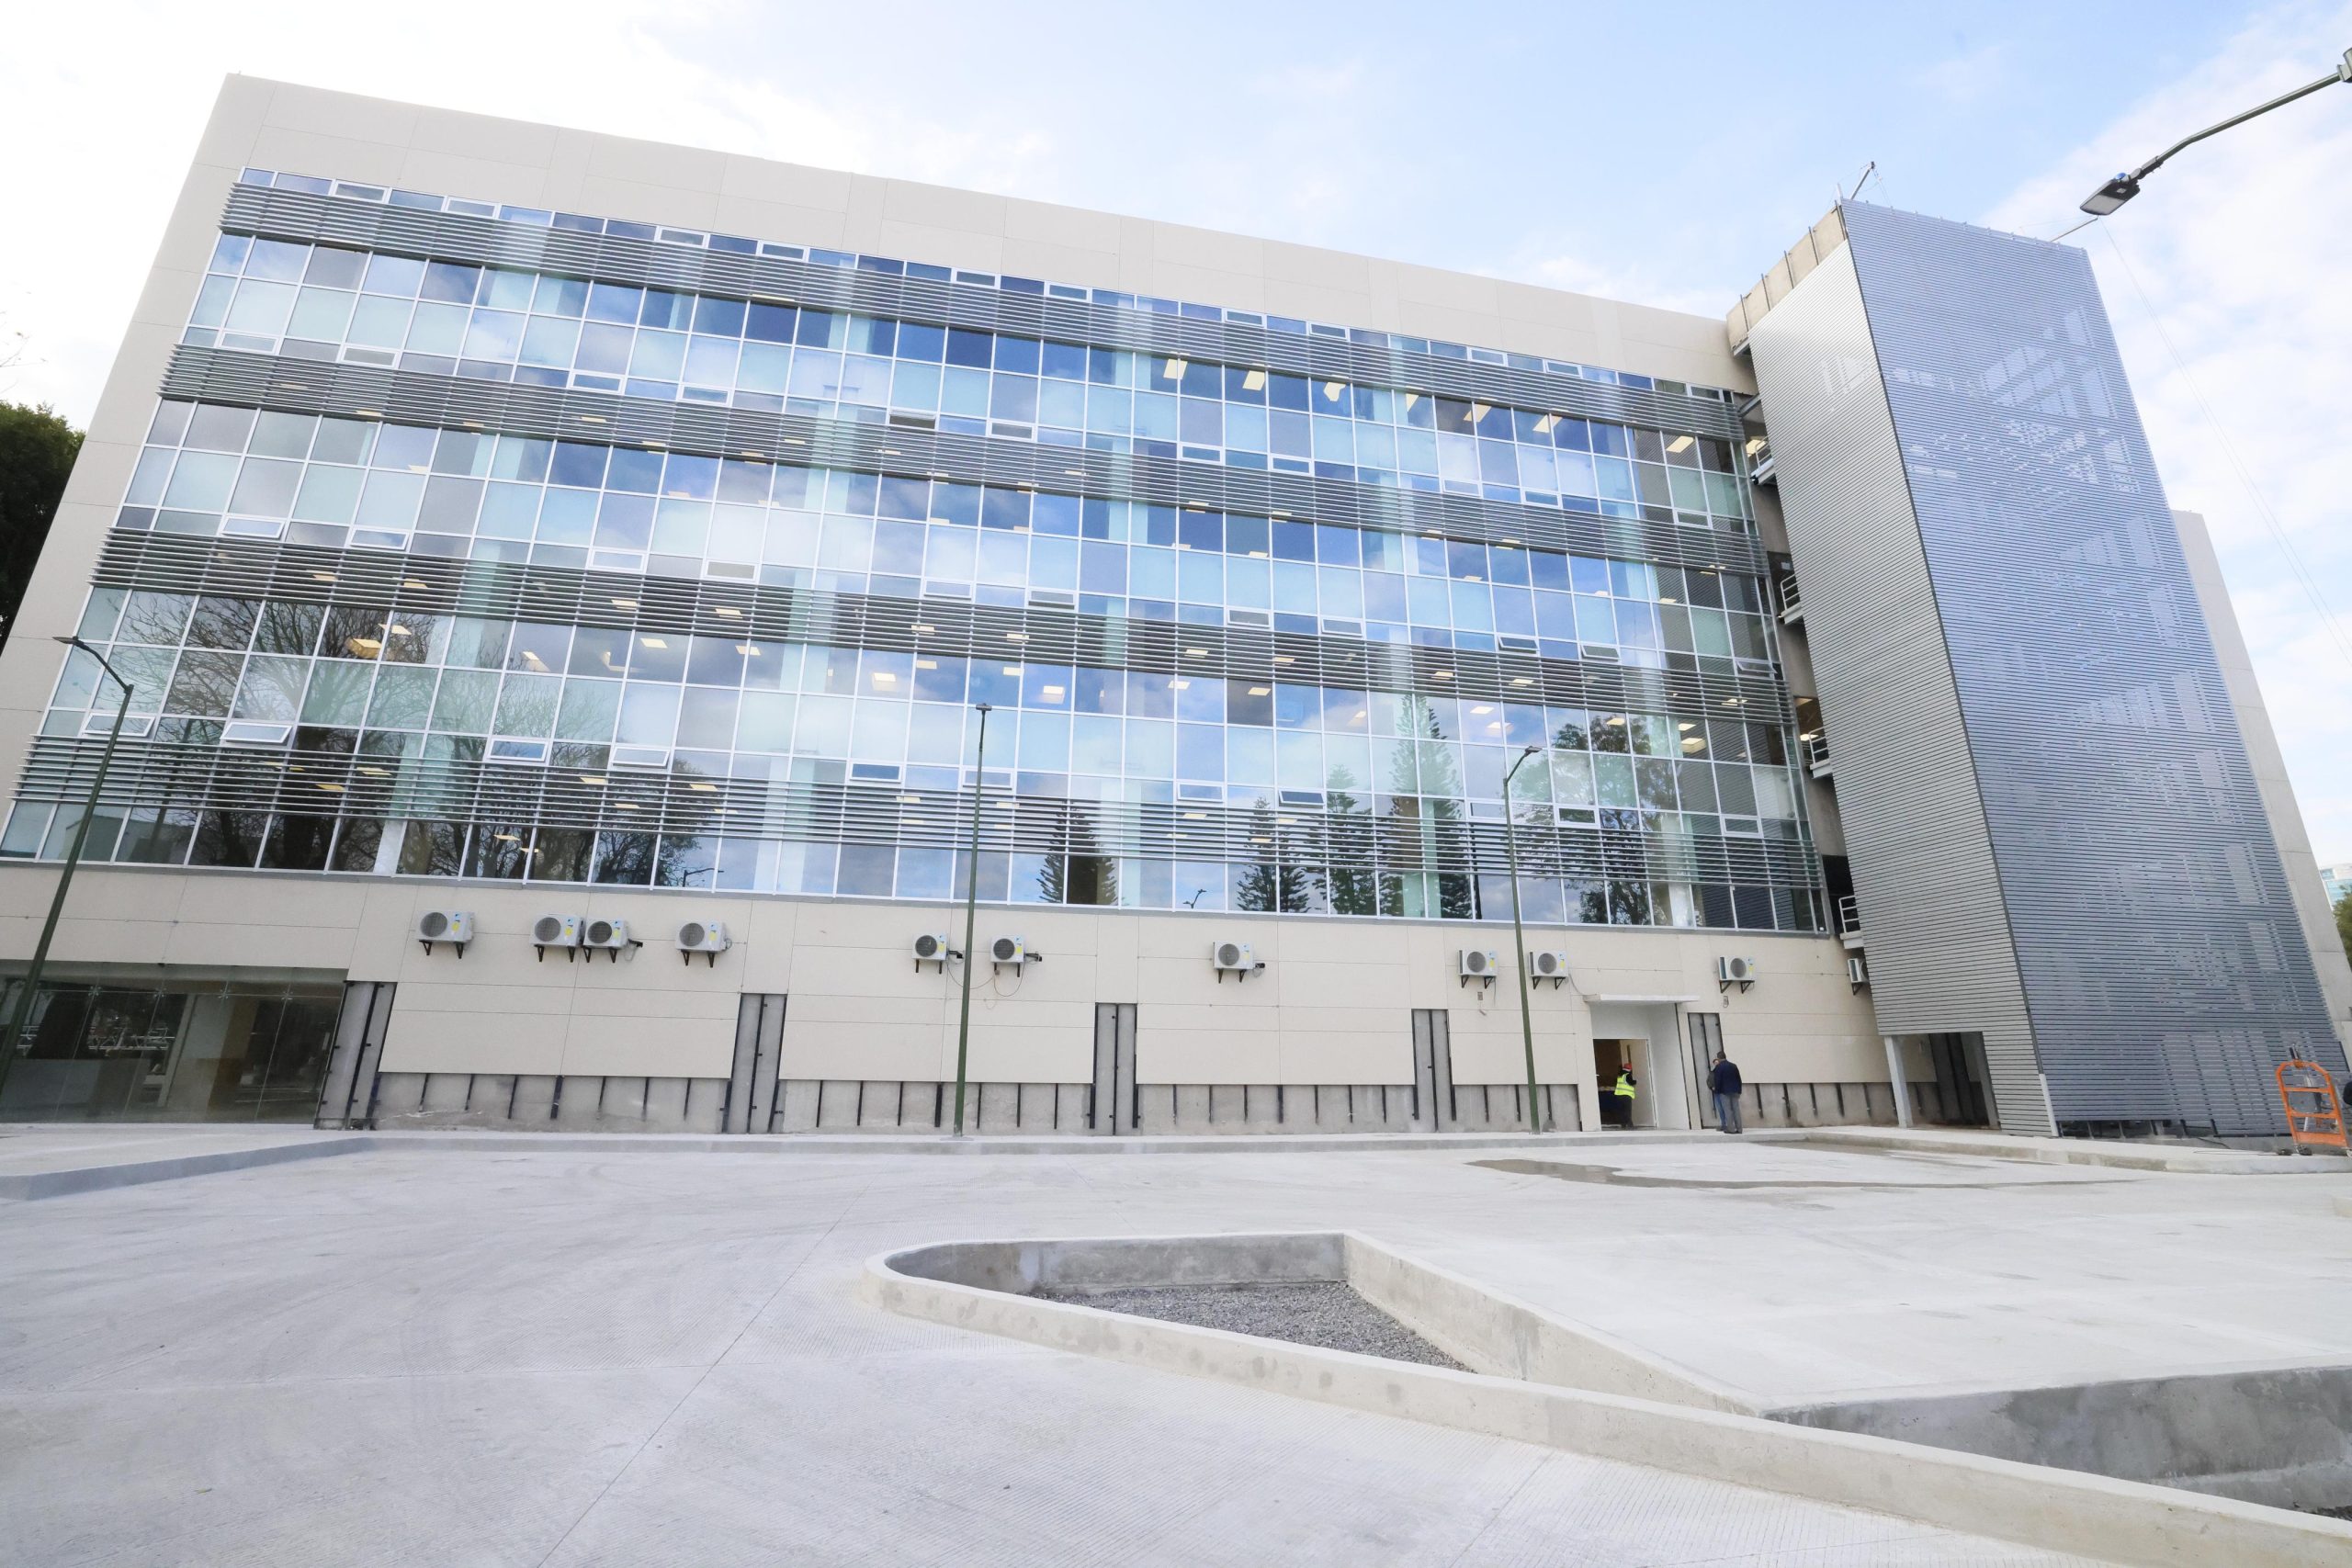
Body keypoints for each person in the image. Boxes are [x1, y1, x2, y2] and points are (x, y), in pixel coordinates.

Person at [1708, 1051, 1745, 1134]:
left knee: (1727, 1110)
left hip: (1724, 1092)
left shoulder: (1719, 1067)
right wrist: (1739, 1090)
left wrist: (1717, 1090)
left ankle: (1731, 1129)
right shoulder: (1733, 1066)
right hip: (1735, 1091)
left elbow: (1718, 1080)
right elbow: (1739, 1078)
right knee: (1736, 1110)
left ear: (1718, 1058)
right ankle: (1739, 1129)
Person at [1609, 1062, 1638, 1128]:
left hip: (1619, 1096)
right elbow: (1631, 1082)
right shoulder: (1627, 1075)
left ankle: (1623, 1124)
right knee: (1627, 1111)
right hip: (1626, 1096)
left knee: (1622, 1111)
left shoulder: (1620, 1076)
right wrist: (1635, 1081)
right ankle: (1630, 1124)